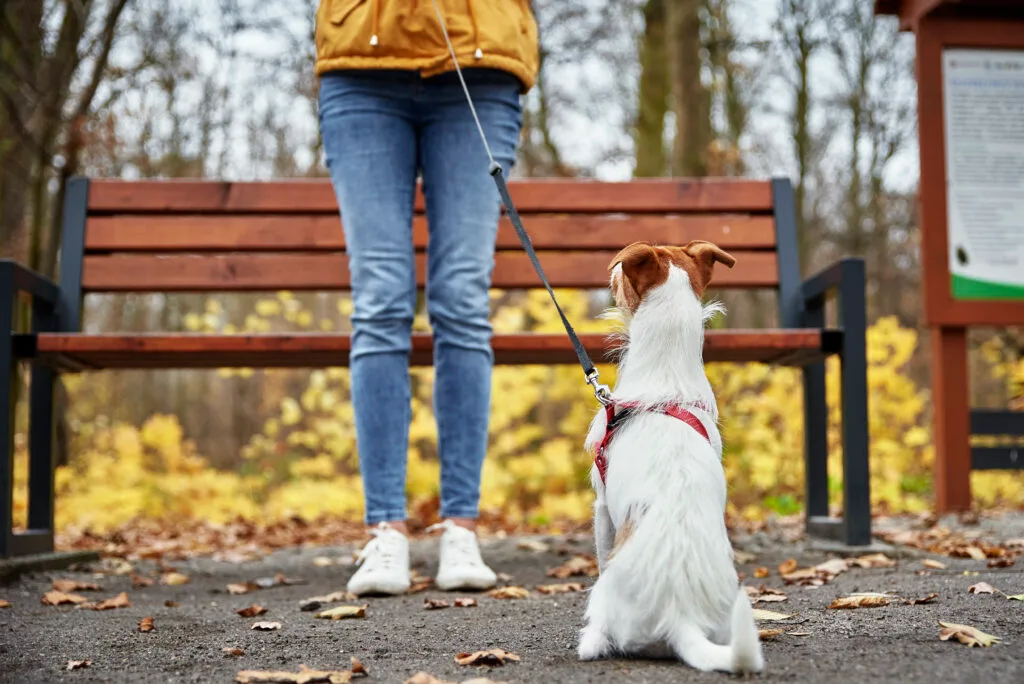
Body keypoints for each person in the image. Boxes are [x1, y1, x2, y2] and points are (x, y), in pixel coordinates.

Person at [314, 1, 539, 595]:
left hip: (481, 60)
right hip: (360, 59)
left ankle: (459, 527)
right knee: (381, 300)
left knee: (462, 299)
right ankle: (386, 531)